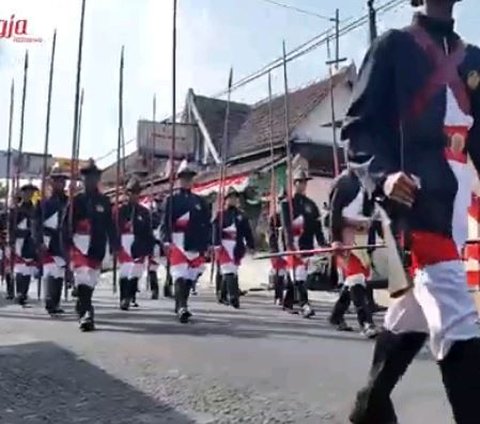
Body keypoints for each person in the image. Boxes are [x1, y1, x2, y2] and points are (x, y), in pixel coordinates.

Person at [343, 0, 480, 422]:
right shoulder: (392, 47)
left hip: (457, 201)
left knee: (414, 311)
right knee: (458, 317)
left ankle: (368, 407)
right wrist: (383, 177)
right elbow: (360, 128)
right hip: (413, 200)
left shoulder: (474, 59)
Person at [62, 159, 118, 332]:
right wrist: (67, 246)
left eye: (93, 177)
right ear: (82, 180)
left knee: (90, 281)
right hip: (79, 247)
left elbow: (110, 226)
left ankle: (82, 305)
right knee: (83, 277)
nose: (90, 181)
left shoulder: (105, 201)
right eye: (86, 177)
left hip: (97, 246)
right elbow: (66, 226)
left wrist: (115, 246)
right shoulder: (75, 201)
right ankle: (87, 313)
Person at [328, 169, 380, 339]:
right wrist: (336, 239)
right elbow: (334, 213)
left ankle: (336, 316)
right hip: (345, 238)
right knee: (356, 277)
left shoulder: (367, 183)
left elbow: (371, 214)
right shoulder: (342, 183)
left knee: (355, 280)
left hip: (362, 238)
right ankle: (365, 322)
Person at [160, 160, 210, 323]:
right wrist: (165, 241)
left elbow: (206, 224)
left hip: (195, 243)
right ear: (178, 180)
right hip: (178, 241)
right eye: (183, 178)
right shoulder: (171, 200)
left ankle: (181, 302)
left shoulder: (200, 202)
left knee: (189, 278)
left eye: (189, 178)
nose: (186, 181)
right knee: (180, 275)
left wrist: (207, 244)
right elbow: (165, 223)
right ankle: (182, 307)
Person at [280, 169, 325, 318]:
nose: (303, 185)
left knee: (299, 276)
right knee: (299, 276)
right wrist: (290, 244)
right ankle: (305, 304)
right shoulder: (287, 204)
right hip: (293, 245)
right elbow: (286, 226)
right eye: (300, 182)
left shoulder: (311, 205)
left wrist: (322, 242)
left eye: (305, 182)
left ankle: (287, 302)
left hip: (306, 244)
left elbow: (317, 226)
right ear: (294, 183)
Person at [212, 187, 255, 308]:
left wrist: (251, 244)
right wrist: (216, 244)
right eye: (230, 197)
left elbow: (247, 231)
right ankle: (233, 296)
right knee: (228, 270)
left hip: (236, 247)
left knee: (232, 271)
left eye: (235, 197)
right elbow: (215, 230)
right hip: (224, 246)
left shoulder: (241, 215)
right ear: (225, 199)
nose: (233, 200)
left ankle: (222, 294)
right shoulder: (220, 215)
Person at [35, 164, 69, 315]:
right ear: (51, 183)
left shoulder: (70, 203)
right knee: (50, 270)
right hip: (48, 240)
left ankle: (55, 302)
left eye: (62, 180)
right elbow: (36, 225)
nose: (60, 183)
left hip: (63, 241)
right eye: (56, 180)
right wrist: (39, 241)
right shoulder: (43, 204)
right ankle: (49, 300)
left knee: (59, 272)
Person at [117, 176, 154, 310]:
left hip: (139, 242)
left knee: (136, 271)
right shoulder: (120, 210)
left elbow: (148, 231)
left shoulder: (144, 212)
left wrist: (149, 247)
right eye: (131, 192)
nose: (134, 195)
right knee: (125, 270)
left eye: (136, 192)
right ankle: (123, 298)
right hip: (124, 242)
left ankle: (131, 295)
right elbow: (115, 227)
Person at [10, 184, 38, 306]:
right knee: (20, 267)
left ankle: (24, 292)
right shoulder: (16, 210)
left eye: (31, 193)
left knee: (28, 267)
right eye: (27, 192)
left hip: (30, 239)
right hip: (19, 239)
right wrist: (11, 240)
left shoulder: (35, 209)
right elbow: (11, 226)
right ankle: (19, 292)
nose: (29, 195)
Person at [268, 191, 288, 305]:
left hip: (288, 246)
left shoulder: (291, 214)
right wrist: (274, 250)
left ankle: (292, 296)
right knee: (279, 272)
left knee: (291, 273)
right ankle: (278, 296)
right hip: (277, 247)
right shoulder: (274, 217)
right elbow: (271, 235)